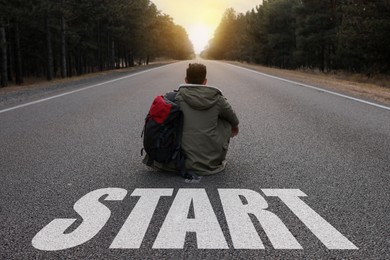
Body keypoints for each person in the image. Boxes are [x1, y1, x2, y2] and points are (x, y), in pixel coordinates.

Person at [144, 63, 239, 175]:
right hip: (208, 163)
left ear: (186, 80)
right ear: (205, 81)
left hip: (174, 161)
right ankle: (210, 155)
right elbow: (235, 121)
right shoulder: (218, 99)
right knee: (226, 120)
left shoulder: (174, 97)